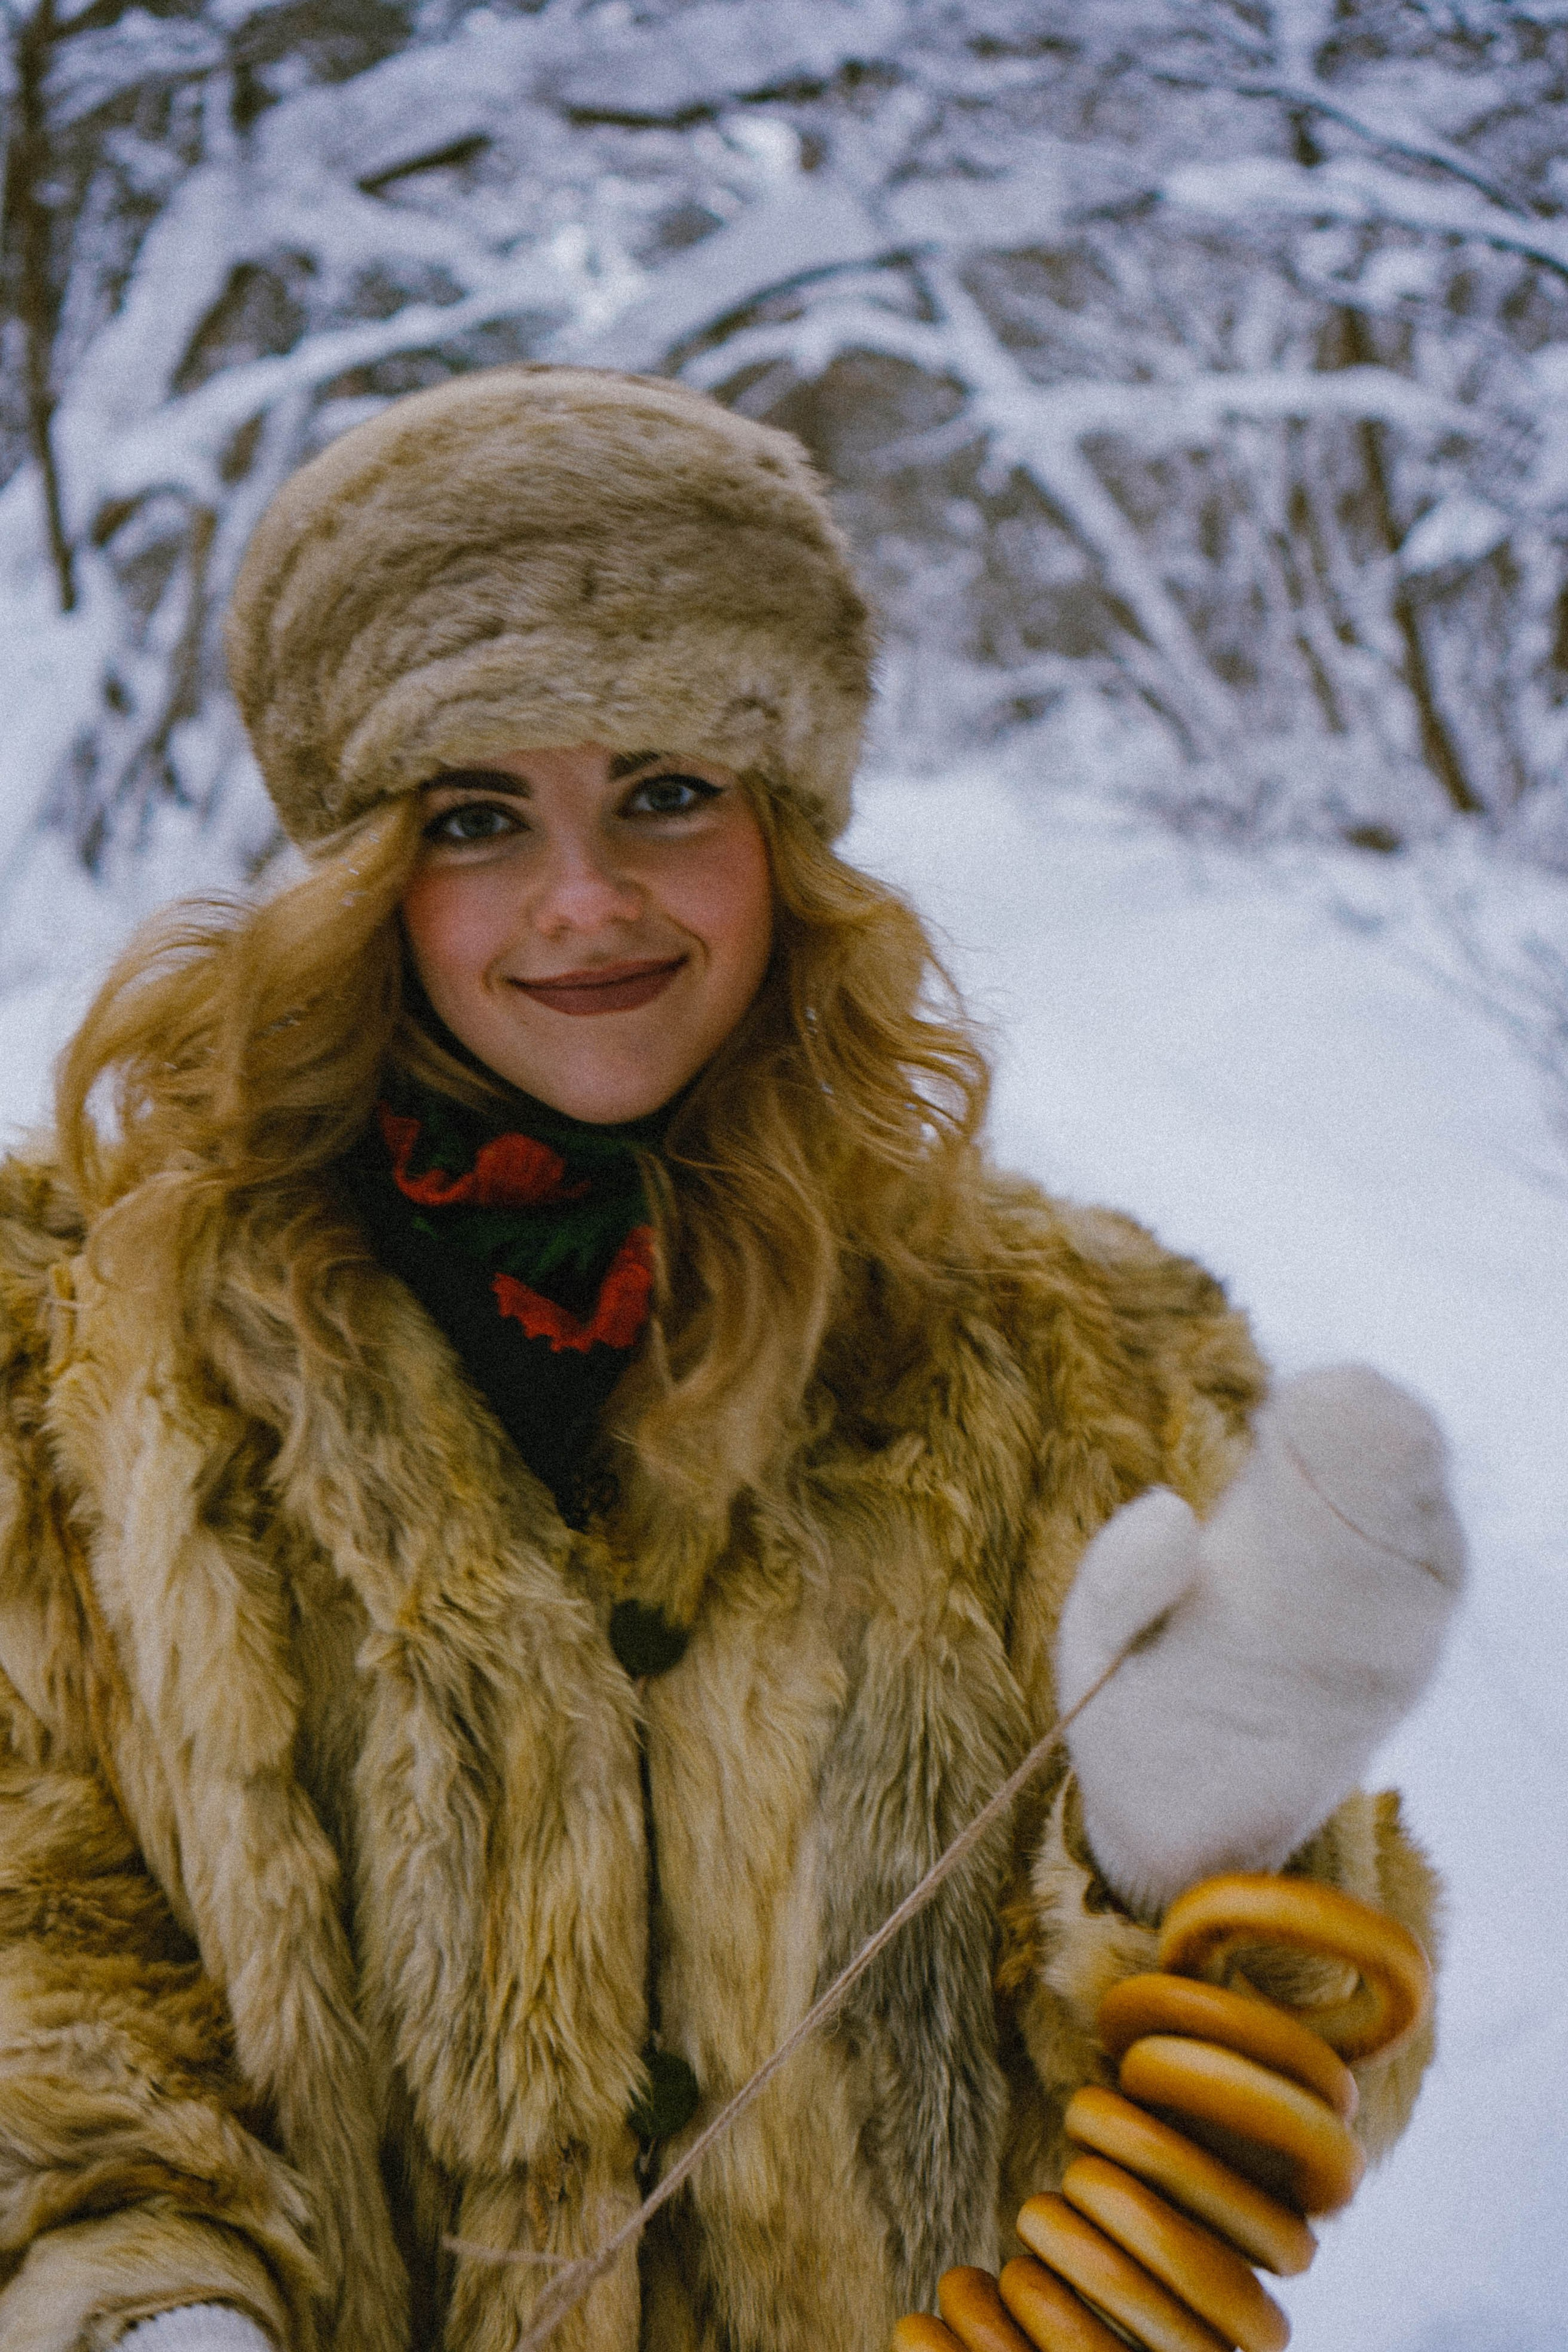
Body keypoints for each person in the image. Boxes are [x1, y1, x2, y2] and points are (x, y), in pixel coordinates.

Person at [0, 367, 1462, 2352]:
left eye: (666, 794)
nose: (584, 900)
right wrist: (132, 2309)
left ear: (788, 832)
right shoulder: (82, 1368)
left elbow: (1266, 2148)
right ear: (363, 866)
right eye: (478, 816)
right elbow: (44, 1969)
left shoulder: (1081, 1369)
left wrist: (1207, 1873)